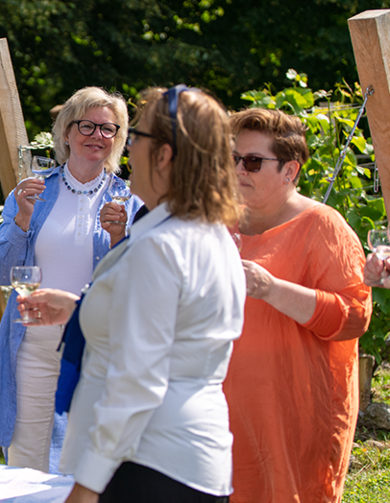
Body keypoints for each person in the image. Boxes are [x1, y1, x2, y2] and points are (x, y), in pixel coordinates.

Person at [21, 85, 245, 502]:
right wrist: (79, 308)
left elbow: (137, 381)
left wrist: (87, 486)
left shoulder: (158, 247)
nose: (124, 151)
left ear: (163, 155)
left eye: (135, 137)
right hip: (195, 459)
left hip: (148, 464)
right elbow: (180, 329)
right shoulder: (208, 233)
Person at [0, 87, 143, 473]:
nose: (97, 136)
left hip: (96, 344)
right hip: (33, 341)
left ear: (119, 138)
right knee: (27, 459)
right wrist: (22, 218)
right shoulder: (33, 192)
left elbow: (136, 286)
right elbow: (2, 272)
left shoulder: (129, 201)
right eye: (86, 125)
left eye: (109, 129)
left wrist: (121, 237)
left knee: (89, 458)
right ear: (66, 133)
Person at [224, 108, 371, 503]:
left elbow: (354, 317)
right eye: (233, 158)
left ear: (290, 171)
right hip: (220, 420)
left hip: (292, 422)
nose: (239, 169)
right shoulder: (221, 225)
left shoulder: (323, 226)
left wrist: (272, 289)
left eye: (253, 162)